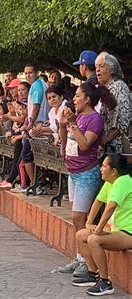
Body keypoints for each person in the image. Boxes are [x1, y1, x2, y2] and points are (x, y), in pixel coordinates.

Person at [57, 83, 117, 276]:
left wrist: (73, 124)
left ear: (87, 99)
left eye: (77, 96)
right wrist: (63, 125)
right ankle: (80, 257)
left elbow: (84, 145)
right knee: (76, 220)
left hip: (86, 173)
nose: (74, 99)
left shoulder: (95, 120)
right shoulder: (79, 116)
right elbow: (67, 142)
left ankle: (89, 265)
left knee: (79, 218)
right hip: (73, 172)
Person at [72, 154, 132, 295]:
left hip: (128, 232)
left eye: (104, 166)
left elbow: (110, 207)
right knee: (81, 234)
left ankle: (105, 282)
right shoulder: (110, 181)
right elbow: (98, 201)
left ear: (114, 171)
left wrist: (98, 229)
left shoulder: (124, 181)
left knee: (94, 239)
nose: (101, 169)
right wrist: (88, 223)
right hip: (117, 229)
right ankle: (93, 274)